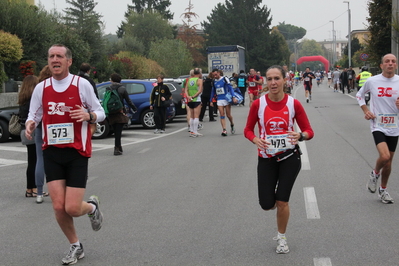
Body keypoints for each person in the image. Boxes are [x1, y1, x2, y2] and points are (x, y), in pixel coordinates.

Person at [25, 44, 105, 265]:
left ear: (69, 61)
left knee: (71, 207)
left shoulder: (82, 84)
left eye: (59, 56)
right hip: (51, 152)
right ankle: (75, 245)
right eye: (51, 56)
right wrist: (30, 124)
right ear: (48, 61)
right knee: (59, 206)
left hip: (77, 152)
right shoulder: (41, 88)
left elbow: (101, 112)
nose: (55, 59)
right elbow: (34, 114)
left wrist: (88, 115)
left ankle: (91, 207)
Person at [244, 65, 314, 254]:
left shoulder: (294, 104)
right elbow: (248, 130)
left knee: (282, 201)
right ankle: (274, 198)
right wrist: (255, 139)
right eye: (269, 79)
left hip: (289, 157)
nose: (273, 82)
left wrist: (300, 136)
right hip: (266, 159)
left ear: (284, 80)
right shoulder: (259, 104)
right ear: (266, 81)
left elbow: (309, 131)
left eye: (277, 78)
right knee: (267, 204)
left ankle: (282, 237)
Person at [356, 53, 399, 204]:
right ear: (381, 65)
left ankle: (383, 189)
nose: (390, 63)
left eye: (393, 61)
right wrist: (366, 111)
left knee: (388, 163)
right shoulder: (373, 81)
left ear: (396, 65)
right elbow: (359, 95)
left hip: (394, 125)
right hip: (378, 124)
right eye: (387, 61)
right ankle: (374, 174)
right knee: (385, 156)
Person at [18, 75, 39, 199]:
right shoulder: (33, 99)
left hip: (24, 131)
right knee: (36, 161)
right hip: (33, 130)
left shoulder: (23, 99)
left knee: (31, 161)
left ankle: (29, 189)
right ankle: (35, 188)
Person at [107, 73, 137, 155]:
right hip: (120, 112)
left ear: (112, 80)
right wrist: (134, 108)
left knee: (115, 130)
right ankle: (117, 148)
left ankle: (119, 147)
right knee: (118, 132)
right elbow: (128, 100)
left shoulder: (108, 88)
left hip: (111, 112)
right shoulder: (122, 88)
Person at [34, 66, 52, 203]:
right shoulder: (55, 88)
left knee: (40, 159)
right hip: (55, 126)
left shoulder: (39, 88)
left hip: (40, 127)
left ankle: (39, 192)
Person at [210, 69, 238, 136]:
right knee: (222, 115)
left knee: (228, 115)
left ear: (219, 73)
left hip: (226, 99)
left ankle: (232, 124)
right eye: (213, 75)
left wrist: (233, 96)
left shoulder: (225, 79)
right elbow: (213, 91)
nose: (215, 76)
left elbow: (230, 88)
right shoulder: (214, 81)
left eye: (216, 74)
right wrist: (211, 100)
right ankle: (224, 130)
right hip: (219, 99)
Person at [184, 68, 203, 137]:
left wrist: (188, 96)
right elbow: (200, 90)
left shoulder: (189, 80)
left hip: (189, 100)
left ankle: (191, 131)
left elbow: (186, 89)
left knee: (191, 116)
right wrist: (193, 97)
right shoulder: (199, 80)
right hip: (196, 99)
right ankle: (195, 131)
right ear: (199, 74)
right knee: (196, 116)